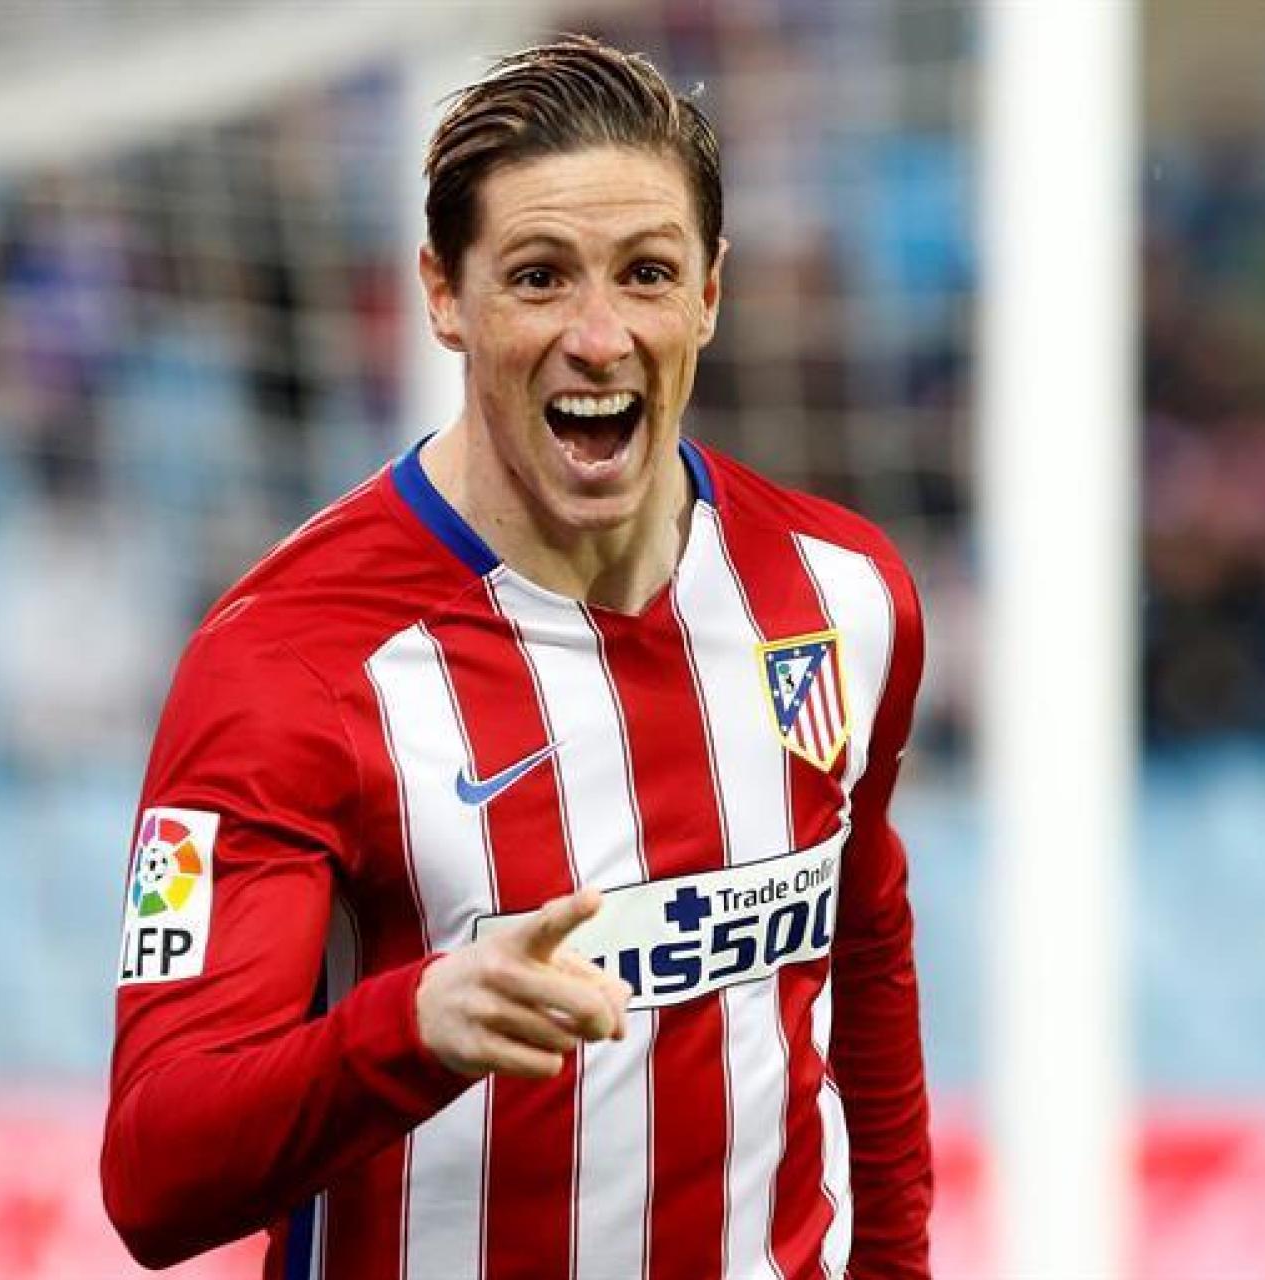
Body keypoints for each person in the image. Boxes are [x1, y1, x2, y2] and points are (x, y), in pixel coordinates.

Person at [101, 34, 931, 1280]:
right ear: (444, 294)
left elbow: (862, 955)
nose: (597, 337)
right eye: (539, 278)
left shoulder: (842, 596)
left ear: (709, 292)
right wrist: (411, 1027)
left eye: (645, 274)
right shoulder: (288, 665)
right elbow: (154, 1177)